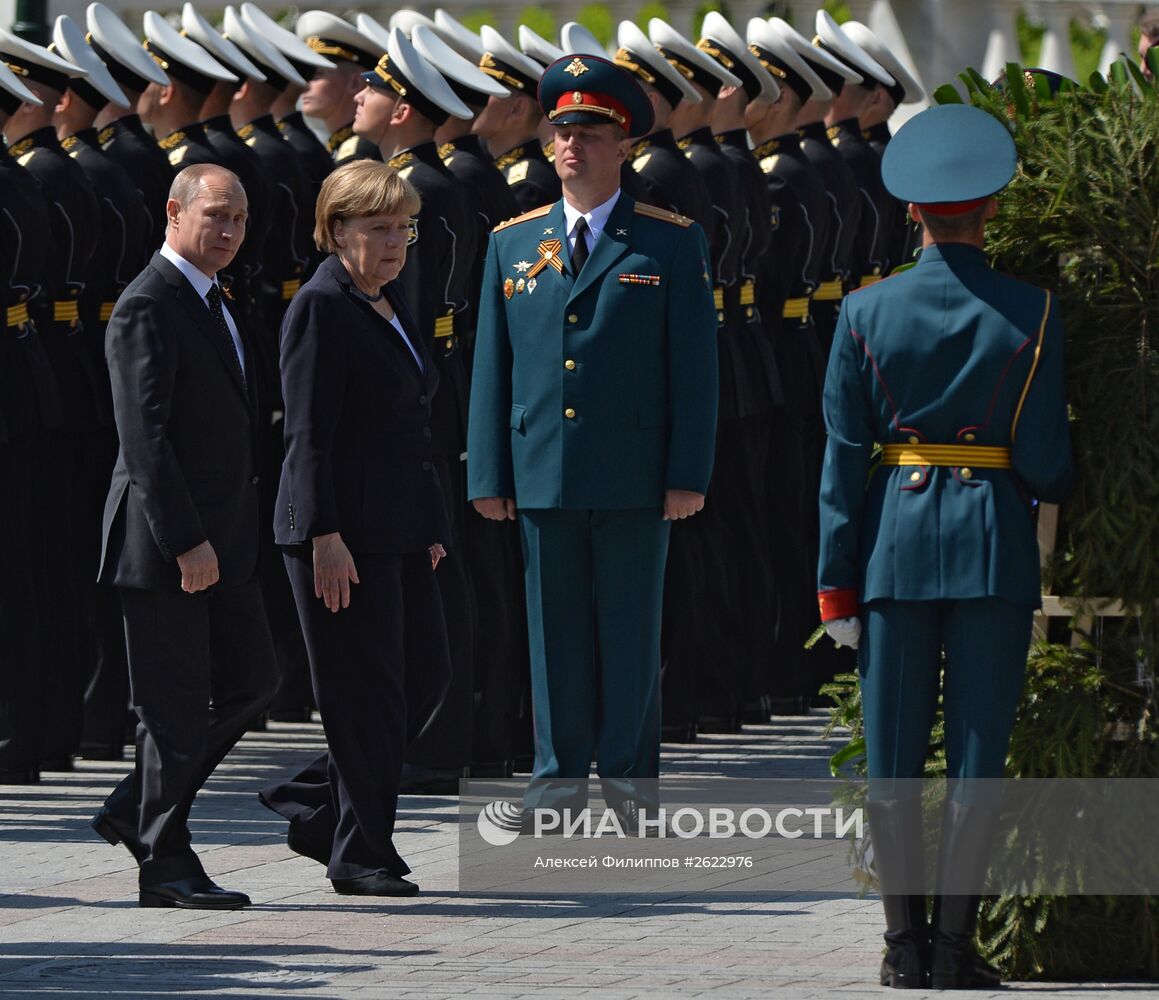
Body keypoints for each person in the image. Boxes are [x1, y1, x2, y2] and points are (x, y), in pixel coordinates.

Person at [816, 104, 1074, 989]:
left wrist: (832, 585)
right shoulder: (1031, 311)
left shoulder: (861, 312)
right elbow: (1045, 458)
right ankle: (956, 952)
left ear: (910, 211)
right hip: (992, 542)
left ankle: (900, 950)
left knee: (890, 752)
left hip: (891, 540)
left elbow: (843, 461)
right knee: (975, 751)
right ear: (991, 207)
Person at [467, 54, 718, 827]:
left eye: (591, 132)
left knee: (630, 630)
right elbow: (491, 366)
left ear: (624, 145)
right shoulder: (512, 242)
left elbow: (695, 371)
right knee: (553, 635)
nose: (572, 144)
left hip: (634, 470)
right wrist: (487, 470)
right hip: (540, 466)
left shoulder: (667, 243)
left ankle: (630, 783)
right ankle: (557, 778)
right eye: (562, 130)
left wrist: (687, 474)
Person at [258, 161, 452, 897]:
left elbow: (411, 424)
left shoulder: (387, 298)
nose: (396, 240)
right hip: (339, 531)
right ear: (336, 230)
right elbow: (307, 435)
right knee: (362, 694)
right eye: (378, 227)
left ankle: (313, 805)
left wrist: (428, 522)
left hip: (399, 521)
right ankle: (361, 853)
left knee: (424, 676)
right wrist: (323, 536)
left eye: (403, 225)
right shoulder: (321, 305)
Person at [91, 163, 278, 909]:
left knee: (255, 680)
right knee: (168, 711)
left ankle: (136, 804)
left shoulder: (213, 298)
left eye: (238, 219)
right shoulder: (148, 304)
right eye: (215, 216)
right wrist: (184, 542)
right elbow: (146, 441)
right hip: (166, 544)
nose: (229, 231)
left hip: (222, 539)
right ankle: (165, 864)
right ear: (174, 212)